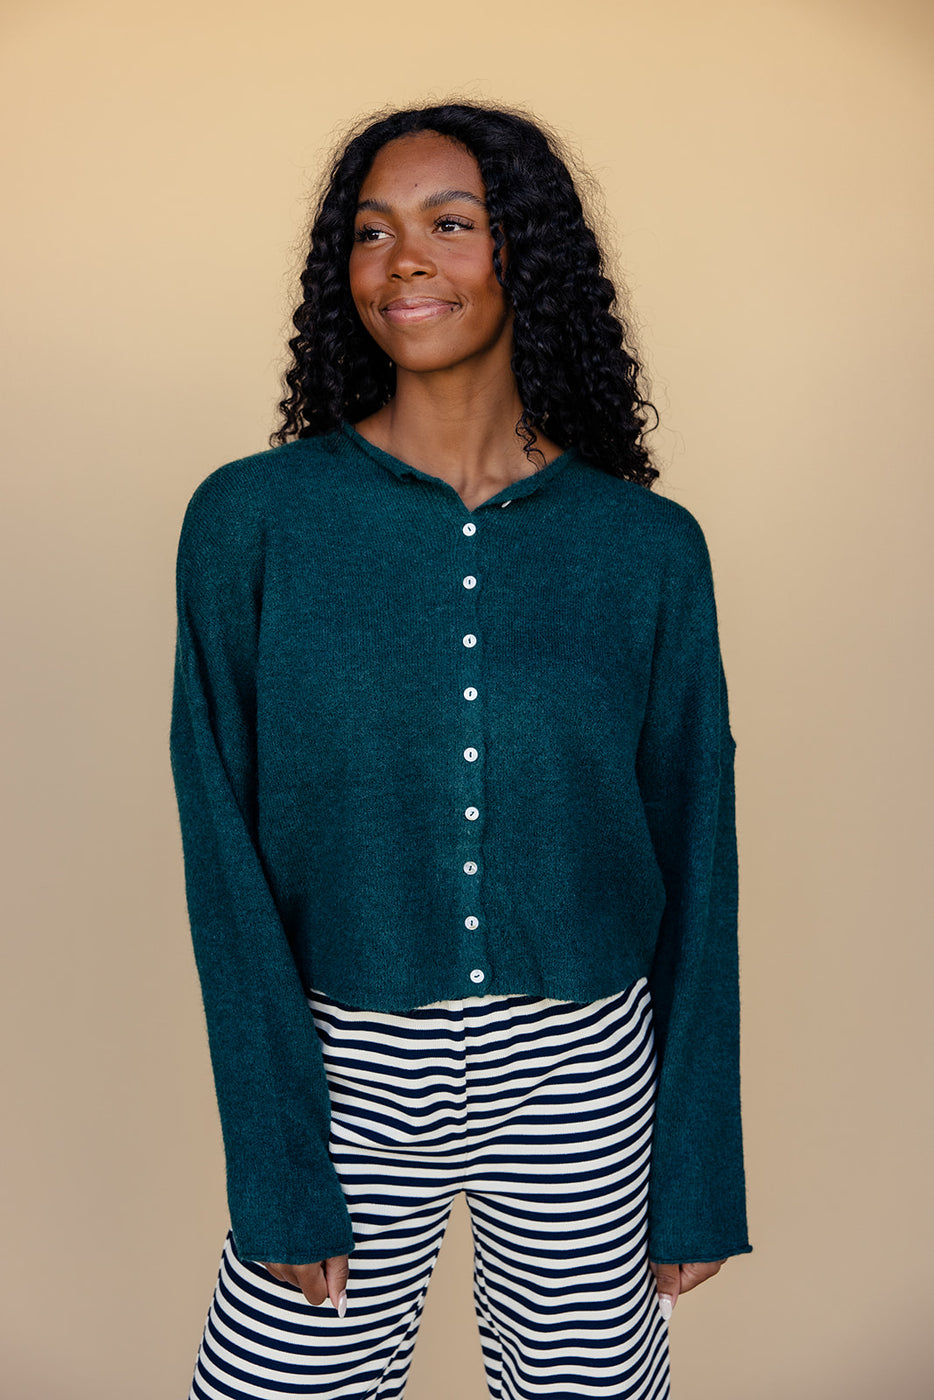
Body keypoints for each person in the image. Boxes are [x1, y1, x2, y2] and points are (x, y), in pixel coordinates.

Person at [170, 100, 751, 1400]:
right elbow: (221, 846)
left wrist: (695, 1166)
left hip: (581, 1064)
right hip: (344, 1061)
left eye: (448, 223)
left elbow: (695, 851)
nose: (400, 260)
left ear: (524, 259)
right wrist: (275, 1165)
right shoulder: (253, 522)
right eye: (370, 233)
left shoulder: (643, 548)